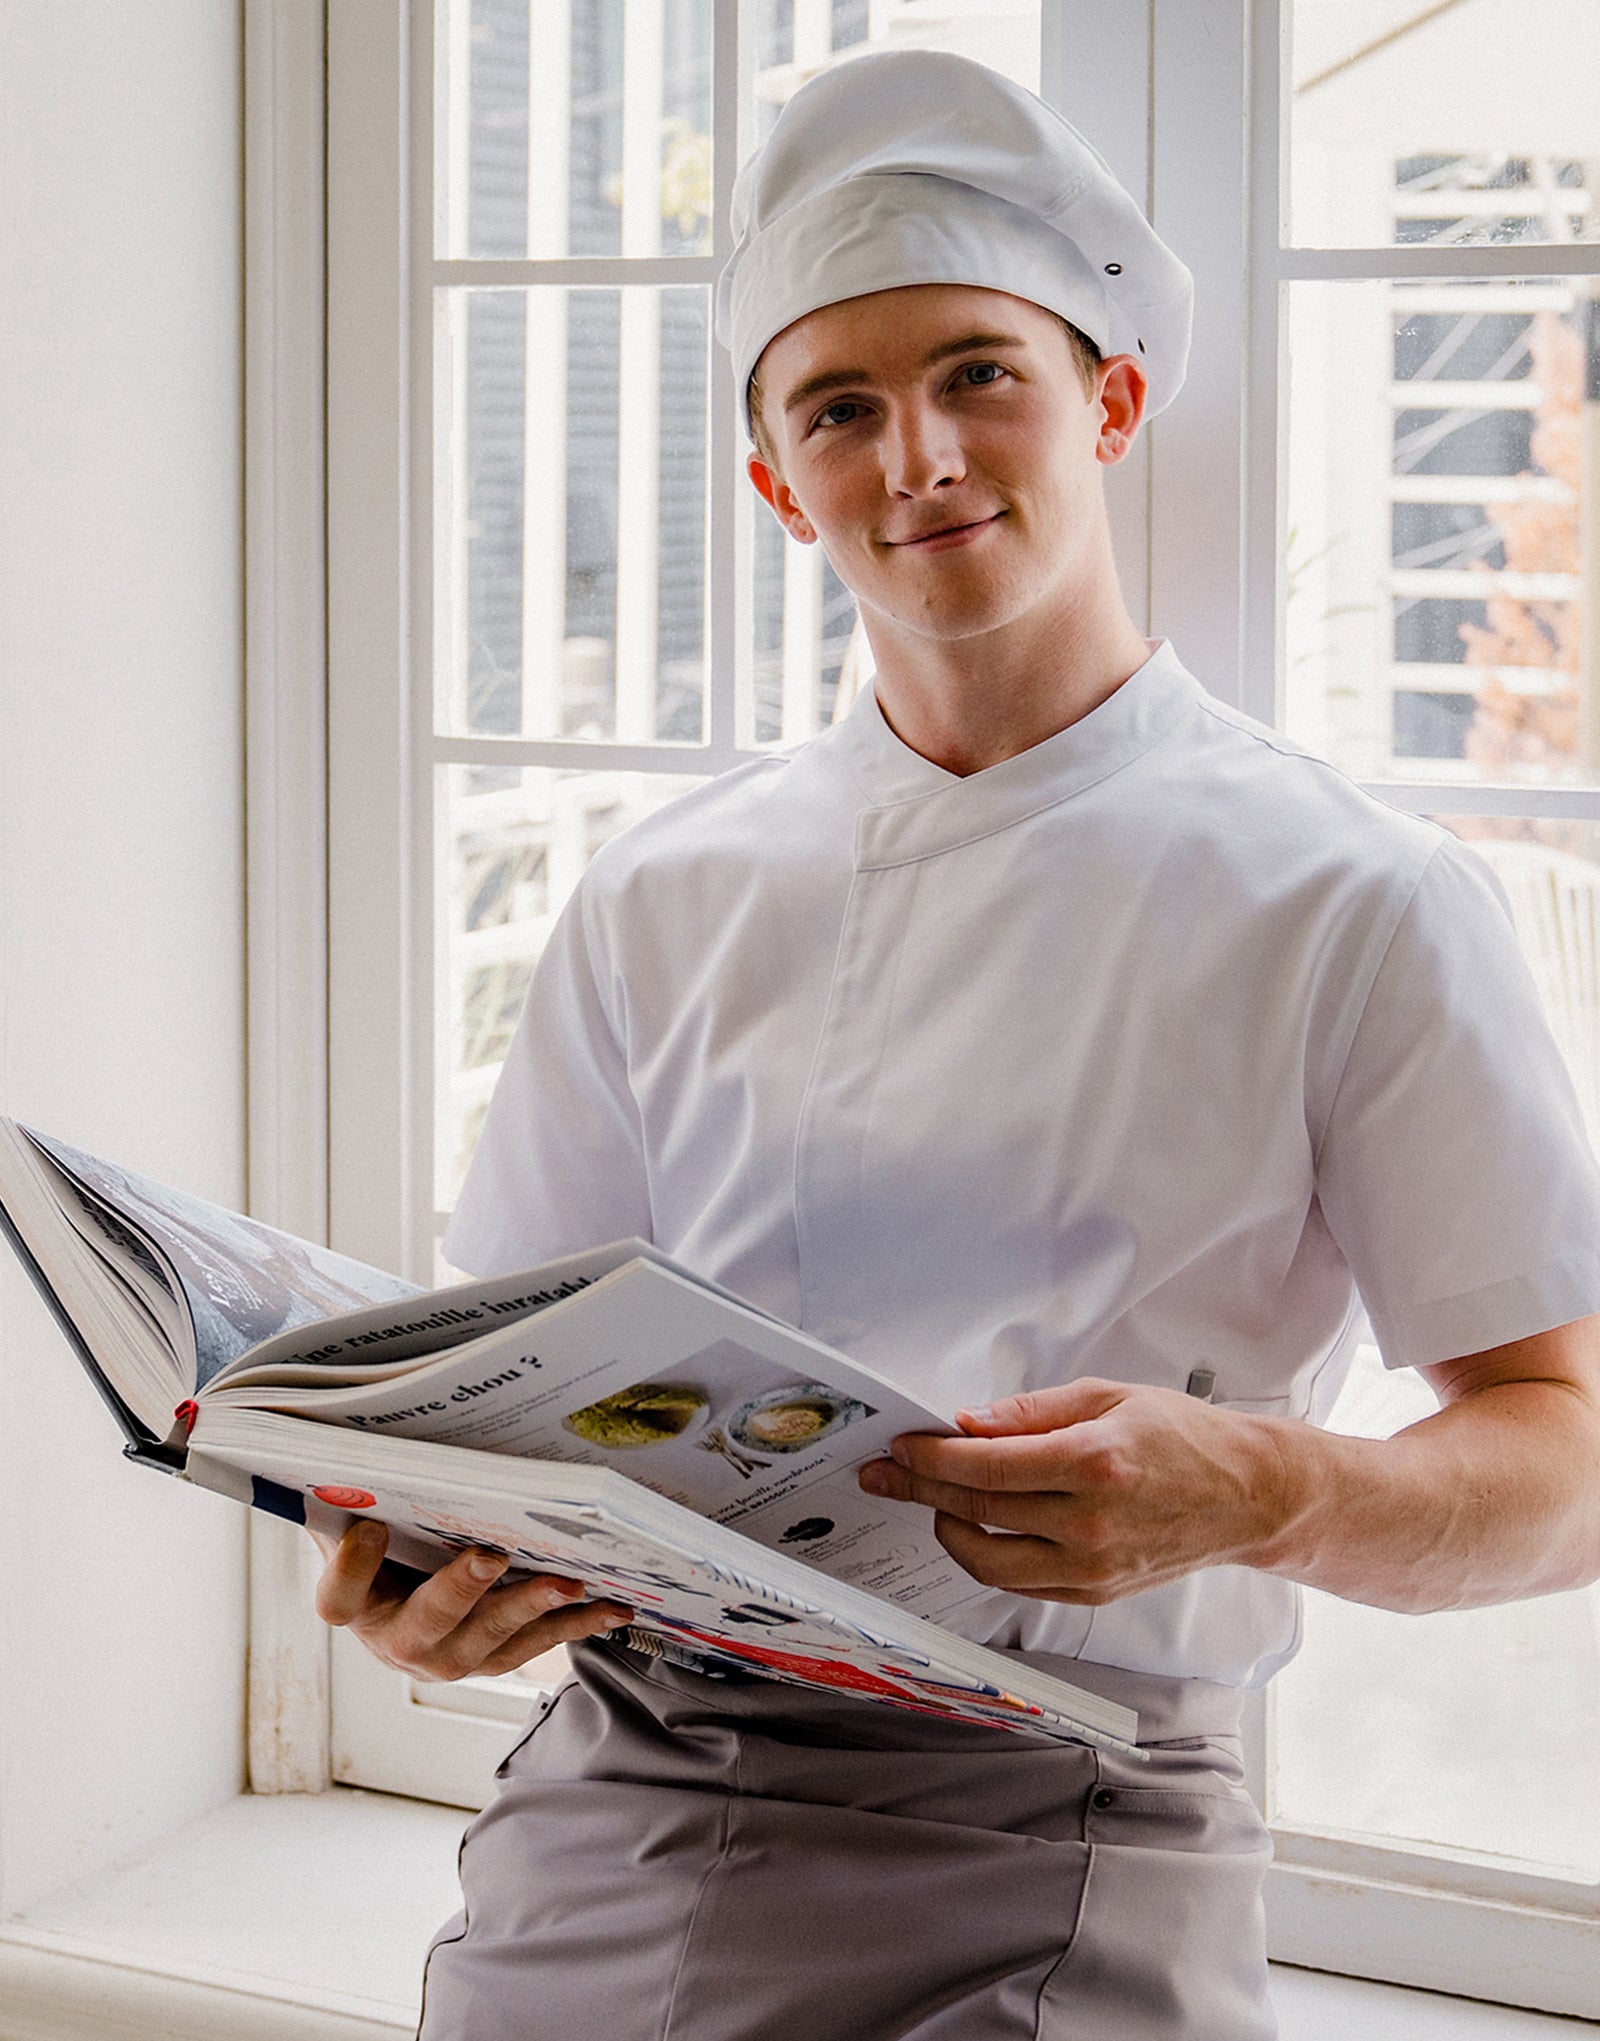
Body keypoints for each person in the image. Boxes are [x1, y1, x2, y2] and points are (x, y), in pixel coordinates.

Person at [313, 50, 1600, 2040]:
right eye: (839, 406)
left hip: (1066, 1814)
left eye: (978, 372)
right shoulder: (661, 896)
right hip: (619, 1806)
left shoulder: (1352, 897)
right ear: (777, 484)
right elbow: (517, 1401)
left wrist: (1265, 1488)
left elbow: (1567, 1450)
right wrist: (430, 1576)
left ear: (1111, 401)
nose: (916, 453)